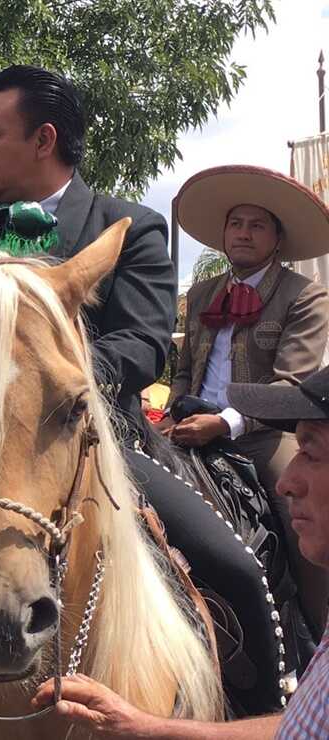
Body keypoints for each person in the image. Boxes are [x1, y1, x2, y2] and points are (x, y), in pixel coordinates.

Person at [0, 64, 287, 735]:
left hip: (93, 443)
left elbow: (144, 345)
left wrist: (52, 383)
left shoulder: (132, 226)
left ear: (44, 139)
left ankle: (264, 721)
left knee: (236, 572)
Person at [35, 366, 329, 739]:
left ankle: (277, 674)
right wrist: (143, 727)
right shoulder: (206, 302)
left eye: (312, 453)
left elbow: (146, 341)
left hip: (251, 433)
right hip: (171, 429)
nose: (290, 482)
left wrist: (225, 421)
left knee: (239, 562)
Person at [162, 165, 329, 632]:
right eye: (236, 224)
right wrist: (176, 408)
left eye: (257, 225)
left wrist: (226, 424)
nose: (243, 233)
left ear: (278, 238)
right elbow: (183, 370)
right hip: (190, 429)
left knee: (299, 513)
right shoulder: (200, 295)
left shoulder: (305, 297)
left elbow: (292, 383)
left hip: (264, 437)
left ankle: (317, 634)